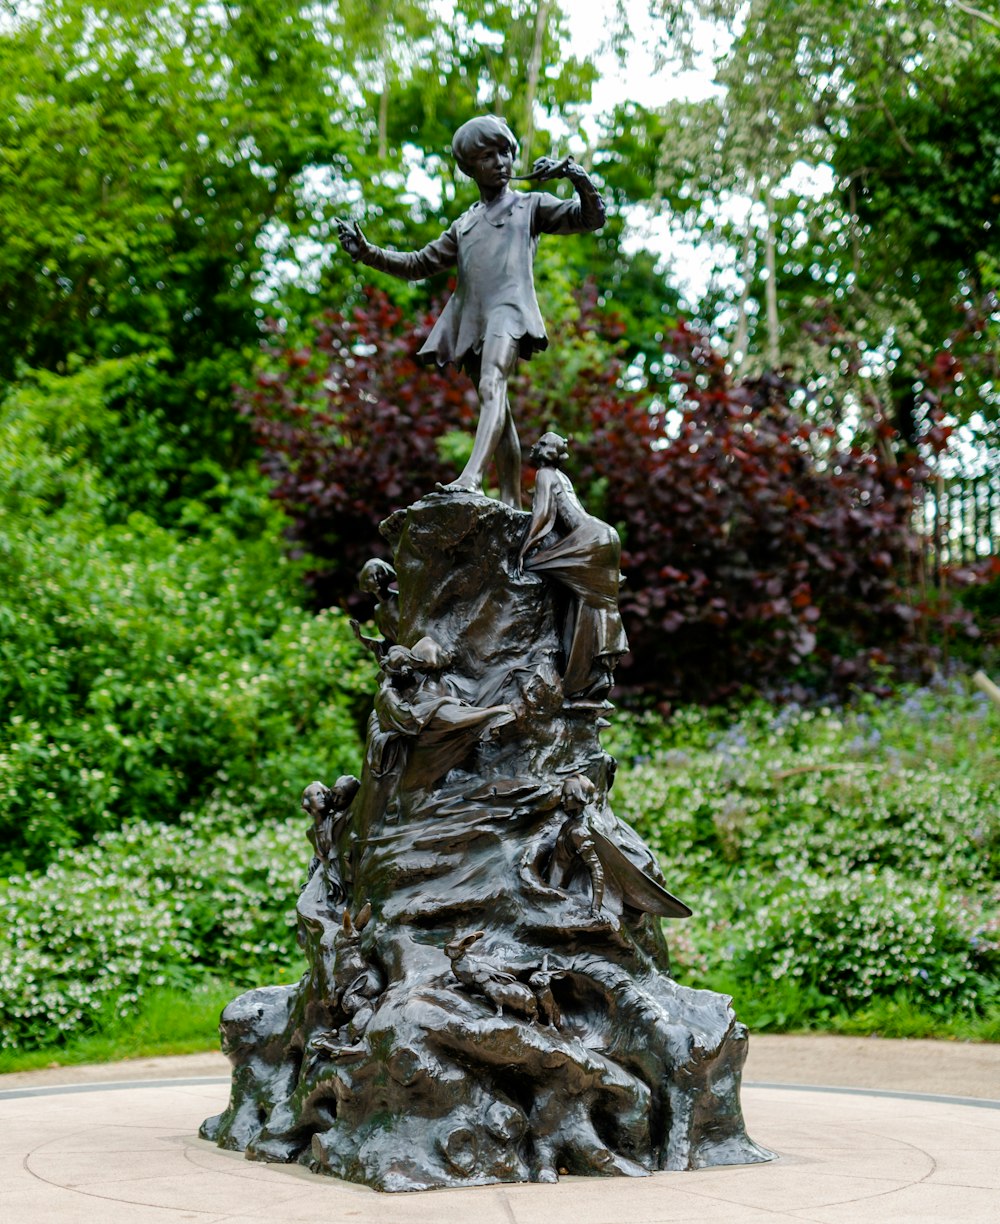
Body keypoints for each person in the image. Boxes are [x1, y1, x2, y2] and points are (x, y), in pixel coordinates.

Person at [336, 115, 606, 508]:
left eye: (505, 153)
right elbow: (417, 264)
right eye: (488, 155)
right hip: (473, 318)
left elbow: (591, 217)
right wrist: (366, 253)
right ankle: (512, 503)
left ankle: (471, 478)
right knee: (500, 410)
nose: (501, 162)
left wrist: (574, 175)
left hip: (510, 312)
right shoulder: (465, 224)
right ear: (470, 167)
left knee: (491, 385)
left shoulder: (530, 205)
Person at [519, 432, 628, 699]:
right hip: (605, 534)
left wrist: (524, 549)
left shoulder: (545, 474)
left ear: (555, 454)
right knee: (594, 603)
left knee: (534, 567)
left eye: (546, 445)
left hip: (590, 537)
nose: (540, 447)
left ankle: (587, 678)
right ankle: (600, 673)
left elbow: (543, 515)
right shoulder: (561, 476)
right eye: (541, 442)